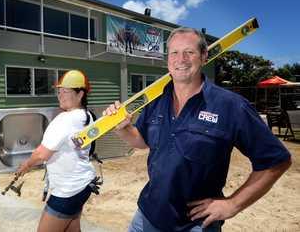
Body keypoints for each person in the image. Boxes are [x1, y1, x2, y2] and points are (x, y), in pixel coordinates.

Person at [103, 27, 292, 232]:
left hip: (195, 225)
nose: (180, 59)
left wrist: (233, 204)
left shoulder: (230, 106)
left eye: (189, 52)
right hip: (147, 216)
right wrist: (123, 129)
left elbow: (277, 160)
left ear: (204, 56)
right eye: (174, 52)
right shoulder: (156, 99)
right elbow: (143, 141)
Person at [17, 70, 97, 232]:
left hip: (68, 191)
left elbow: (42, 154)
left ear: (80, 94)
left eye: (65, 91)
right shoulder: (87, 115)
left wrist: (25, 165)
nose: (60, 95)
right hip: (84, 184)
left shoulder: (65, 119)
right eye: (59, 91)